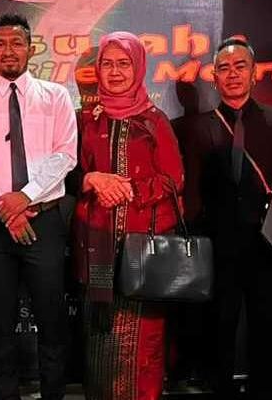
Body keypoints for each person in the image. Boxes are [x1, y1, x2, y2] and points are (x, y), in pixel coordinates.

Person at [175, 37, 272, 400]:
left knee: (265, 321)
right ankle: (221, 388)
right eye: (224, 68)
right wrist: (191, 237)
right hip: (215, 242)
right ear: (214, 77)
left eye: (240, 67)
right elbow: (191, 191)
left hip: (265, 240)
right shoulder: (197, 126)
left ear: (254, 74)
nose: (232, 74)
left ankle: (264, 389)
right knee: (220, 321)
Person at [0, 13, 78, 400]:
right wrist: (6, 211)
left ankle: (53, 394)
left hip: (45, 221)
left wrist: (25, 197)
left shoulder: (56, 97)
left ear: (30, 48)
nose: (9, 51)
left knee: (52, 321)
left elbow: (65, 155)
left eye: (17, 43)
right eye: (1, 44)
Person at [72, 31, 183, 400]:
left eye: (124, 64)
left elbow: (174, 178)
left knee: (143, 339)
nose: (115, 72)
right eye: (107, 64)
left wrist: (129, 189)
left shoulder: (154, 120)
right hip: (98, 243)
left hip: (143, 249)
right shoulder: (88, 121)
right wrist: (93, 180)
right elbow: (72, 173)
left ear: (138, 68)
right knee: (99, 338)